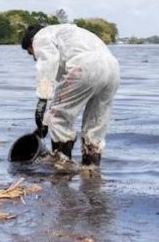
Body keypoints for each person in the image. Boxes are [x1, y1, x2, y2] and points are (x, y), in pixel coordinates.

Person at [20, 23, 120, 167]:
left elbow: (48, 63)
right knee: (96, 122)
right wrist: (45, 123)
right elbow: (62, 98)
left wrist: (42, 100)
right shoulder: (69, 33)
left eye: (31, 53)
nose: (35, 58)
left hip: (84, 67)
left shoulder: (41, 36)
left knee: (59, 119)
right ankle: (91, 171)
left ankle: (63, 167)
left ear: (31, 42)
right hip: (113, 68)